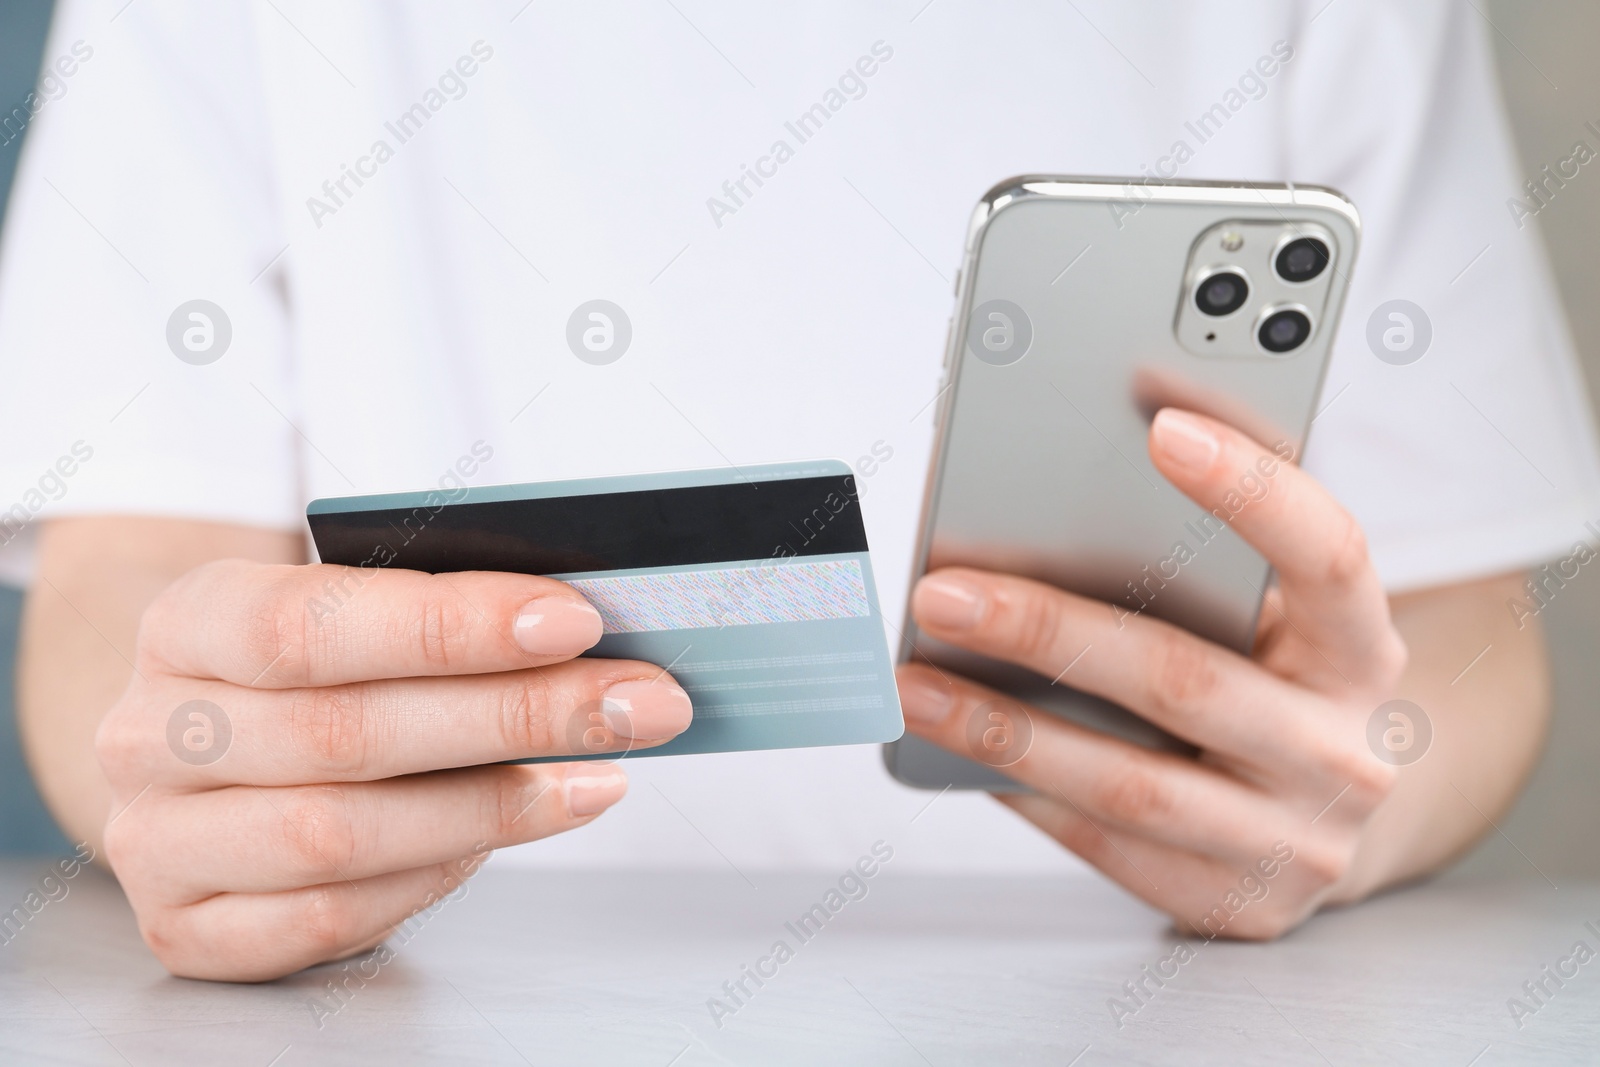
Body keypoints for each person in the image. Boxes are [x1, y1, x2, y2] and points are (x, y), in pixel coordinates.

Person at [1, 1, 1594, 981]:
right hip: (418, 1001)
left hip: (1141, 1006)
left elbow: (1469, 613)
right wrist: (210, 768)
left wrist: (1359, 783)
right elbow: (127, 575)